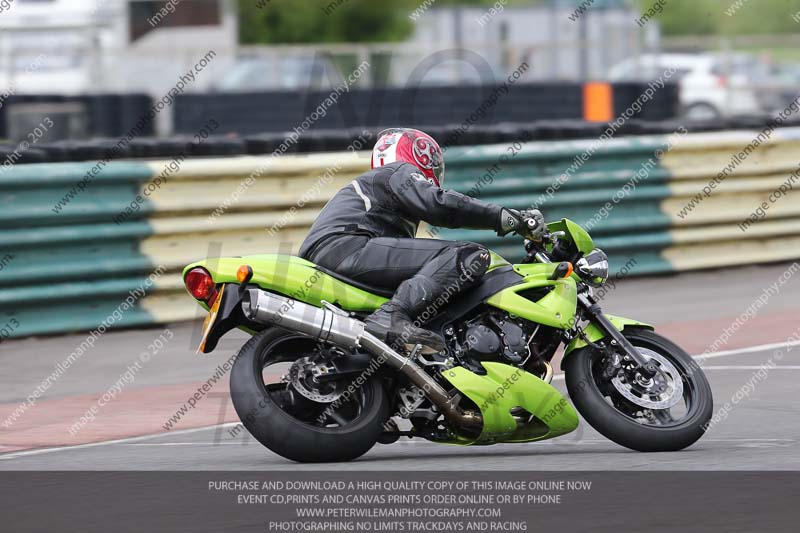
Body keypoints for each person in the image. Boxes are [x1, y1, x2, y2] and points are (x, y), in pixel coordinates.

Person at [299, 128, 544, 352]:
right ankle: (391, 316)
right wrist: (504, 217)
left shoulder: (383, 193)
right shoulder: (397, 172)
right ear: (421, 155)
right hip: (347, 246)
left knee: (432, 279)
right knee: (468, 255)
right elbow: (439, 204)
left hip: (335, 252)